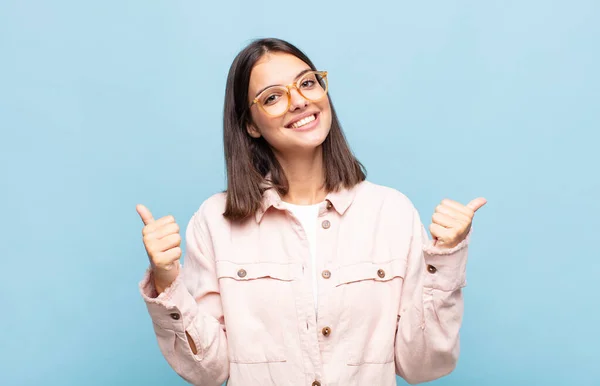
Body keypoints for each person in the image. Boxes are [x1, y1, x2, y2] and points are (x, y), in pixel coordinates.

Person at [136, 37, 486, 386]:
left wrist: (444, 261)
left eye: (307, 83)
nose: (299, 101)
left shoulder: (392, 213)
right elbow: (208, 373)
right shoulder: (215, 221)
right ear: (251, 125)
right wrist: (166, 280)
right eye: (273, 97)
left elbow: (424, 367)